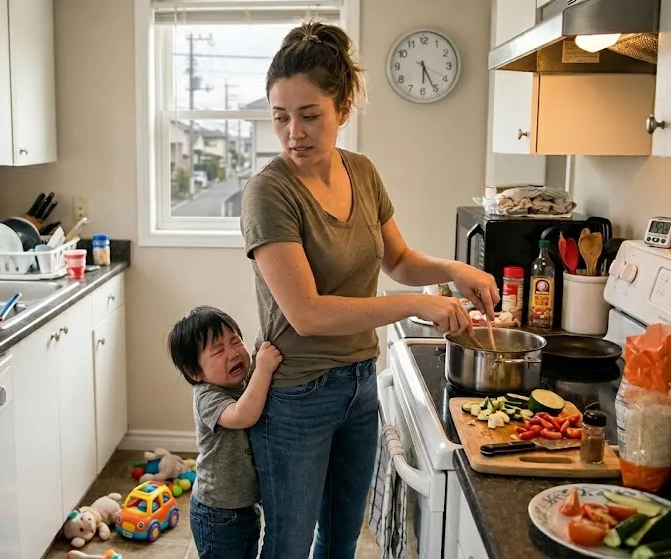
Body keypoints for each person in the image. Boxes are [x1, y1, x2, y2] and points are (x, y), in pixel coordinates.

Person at [239, 21, 500, 558]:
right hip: (297, 394)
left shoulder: (362, 172)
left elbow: (398, 260)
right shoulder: (268, 193)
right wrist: (420, 304)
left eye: (310, 115)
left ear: (343, 110)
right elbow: (307, 313)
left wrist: (456, 270)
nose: (294, 133)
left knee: (340, 541)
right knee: (287, 546)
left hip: (358, 384)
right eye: (280, 117)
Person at [167, 306, 283, 559]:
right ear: (195, 373)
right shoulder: (206, 396)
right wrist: (263, 370)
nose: (233, 353)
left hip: (245, 506)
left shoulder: (242, 385)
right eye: (219, 350)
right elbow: (243, 415)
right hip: (216, 512)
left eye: (235, 341)